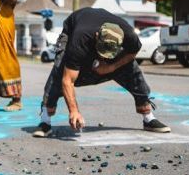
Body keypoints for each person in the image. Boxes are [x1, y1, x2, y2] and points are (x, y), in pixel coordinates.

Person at [32, 7, 171, 138]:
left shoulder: (130, 36)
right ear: (97, 36)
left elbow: (132, 53)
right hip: (72, 31)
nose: (103, 58)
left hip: (98, 31)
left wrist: (111, 67)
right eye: (102, 52)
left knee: (132, 70)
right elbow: (67, 80)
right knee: (60, 70)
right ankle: (45, 121)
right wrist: (74, 111)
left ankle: (148, 118)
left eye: (107, 55)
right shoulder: (80, 40)